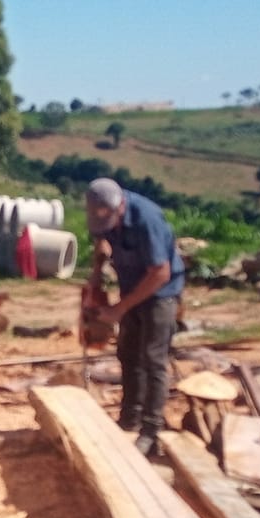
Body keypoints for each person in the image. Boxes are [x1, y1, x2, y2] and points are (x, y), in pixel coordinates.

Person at [81, 176, 185, 457]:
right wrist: (95, 281)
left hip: (160, 292)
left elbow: (160, 273)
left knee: (153, 359)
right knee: (128, 354)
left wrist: (119, 309)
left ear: (120, 207)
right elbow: (102, 244)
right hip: (131, 285)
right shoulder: (102, 209)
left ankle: (151, 430)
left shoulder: (146, 220)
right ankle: (130, 418)